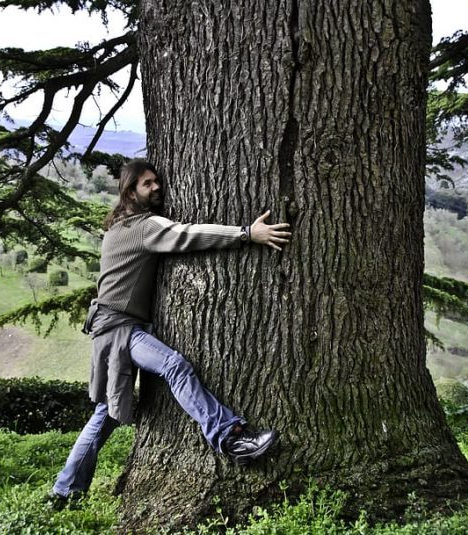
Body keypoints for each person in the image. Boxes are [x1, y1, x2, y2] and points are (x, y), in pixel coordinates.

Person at [51, 159, 291, 502]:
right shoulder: (143, 227)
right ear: (130, 191)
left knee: (105, 414)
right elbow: (185, 234)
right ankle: (230, 438)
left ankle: (65, 491)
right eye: (147, 184)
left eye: (156, 182)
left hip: (109, 327)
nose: (156, 187)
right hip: (119, 330)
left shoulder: (117, 227)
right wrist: (245, 234)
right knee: (173, 365)